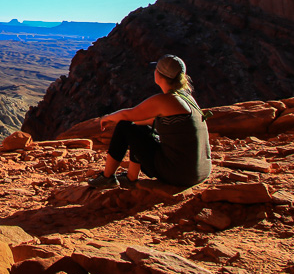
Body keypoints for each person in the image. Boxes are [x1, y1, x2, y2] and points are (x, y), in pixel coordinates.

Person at [88, 54, 211, 189]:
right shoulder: (187, 97)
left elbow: (127, 114)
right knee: (138, 129)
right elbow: (153, 121)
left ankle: (107, 177)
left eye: (156, 70)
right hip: (200, 172)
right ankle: (130, 178)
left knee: (124, 126)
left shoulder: (166, 100)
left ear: (159, 75)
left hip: (178, 175)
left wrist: (107, 118)